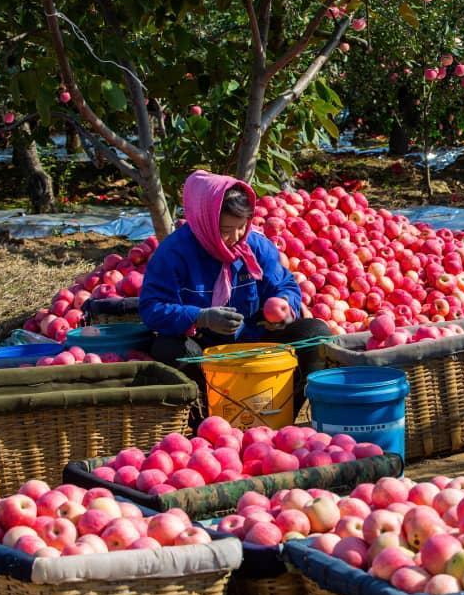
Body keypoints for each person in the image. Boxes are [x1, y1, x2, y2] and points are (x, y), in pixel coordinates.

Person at [139, 170, 330, 418]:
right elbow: (152, 308)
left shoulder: (255, 246)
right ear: (205, 220)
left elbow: (286, 284)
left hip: (256, 342)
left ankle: (281, 415)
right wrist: (201, 317)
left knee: (316, 334)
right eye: (227, 229)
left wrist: (284, 306)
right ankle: (210, 420)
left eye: (242, 227)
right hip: (205, 349)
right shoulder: (174, 253)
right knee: (168, 348)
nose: (237, 237)